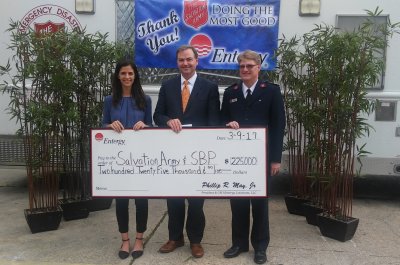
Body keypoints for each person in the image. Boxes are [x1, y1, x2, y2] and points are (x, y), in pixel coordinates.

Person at [153, 45, 220, 258]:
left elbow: (213, 121)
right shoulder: (167, 85)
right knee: (173, 199)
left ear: (197, 60)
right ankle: (175, 237)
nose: (185, 64)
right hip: (173, 155)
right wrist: (167, 120)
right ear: (177, 62)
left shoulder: (209, 87)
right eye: (181, 60)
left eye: (189, 59)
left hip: (198, 155)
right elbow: (157, 115)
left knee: (196, 201)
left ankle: (195, 240)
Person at [220, 50, 285, 264]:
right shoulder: (231, 92)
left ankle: (260, 247)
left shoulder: (271, 92)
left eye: (249, 66)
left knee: (259, 204)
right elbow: (221, 122)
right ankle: (238, 243)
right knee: (237, 203)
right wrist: (227, 125)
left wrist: (275, 159)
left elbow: (278, 126)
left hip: (262, 159)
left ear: (259, 67)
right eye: (242, 67)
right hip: (235, 160)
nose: (245, 70)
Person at [102, 59, 152, 260]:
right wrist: (109, 126)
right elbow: (103, 124)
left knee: (141, 200)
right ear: (117, 76)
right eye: (123, 73)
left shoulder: (145, 99)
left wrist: (146, 126)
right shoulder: (109, 100)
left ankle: (139, 238)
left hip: (140, 159)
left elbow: (152, 126)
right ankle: (124, 239)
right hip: (118, 161)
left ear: (135, 76)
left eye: (130, 73)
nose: (127, 77)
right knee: (121, 201)